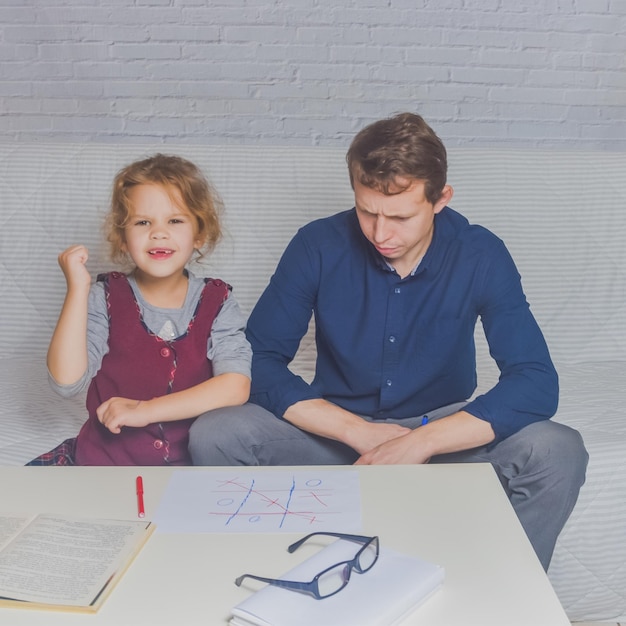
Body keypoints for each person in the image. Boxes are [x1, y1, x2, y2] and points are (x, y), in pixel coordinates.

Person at [188, 113, 588, 570]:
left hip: (441, 439)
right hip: (337, 436)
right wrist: (358, 432)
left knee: (558, 449)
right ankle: (272, 587)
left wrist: (420, 442)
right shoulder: (317, 244)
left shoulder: (481, 253)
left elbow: (536, 381)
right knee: (216, 432)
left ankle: (502, 599)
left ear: (440, 200)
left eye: (400, 216)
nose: (381, 234)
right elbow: (254, 360)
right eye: (367, 212)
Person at [28, 154, 251, 466]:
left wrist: (145, 410)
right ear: (122, 238)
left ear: (199, 234)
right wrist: (77, 290)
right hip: (104, 463)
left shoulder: (219, 301)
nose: (158, 233)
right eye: (143, 222)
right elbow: (66, 383)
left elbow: (235, 386)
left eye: (175, 220)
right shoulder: (102, 297)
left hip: (186, 473)